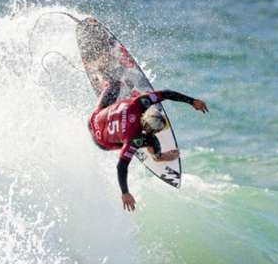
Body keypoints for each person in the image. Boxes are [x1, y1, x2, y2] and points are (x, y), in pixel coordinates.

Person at [88, 82, 209, 211]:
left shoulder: (139, 102)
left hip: (93, 119)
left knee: (116, 84)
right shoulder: (134, 139)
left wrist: (192, 101)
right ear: (150, 129)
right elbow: (121, 166)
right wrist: (125, 192)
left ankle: (107, 84)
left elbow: (166, 94)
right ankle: (159, 156)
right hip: (102, 142)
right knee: (151, 141)